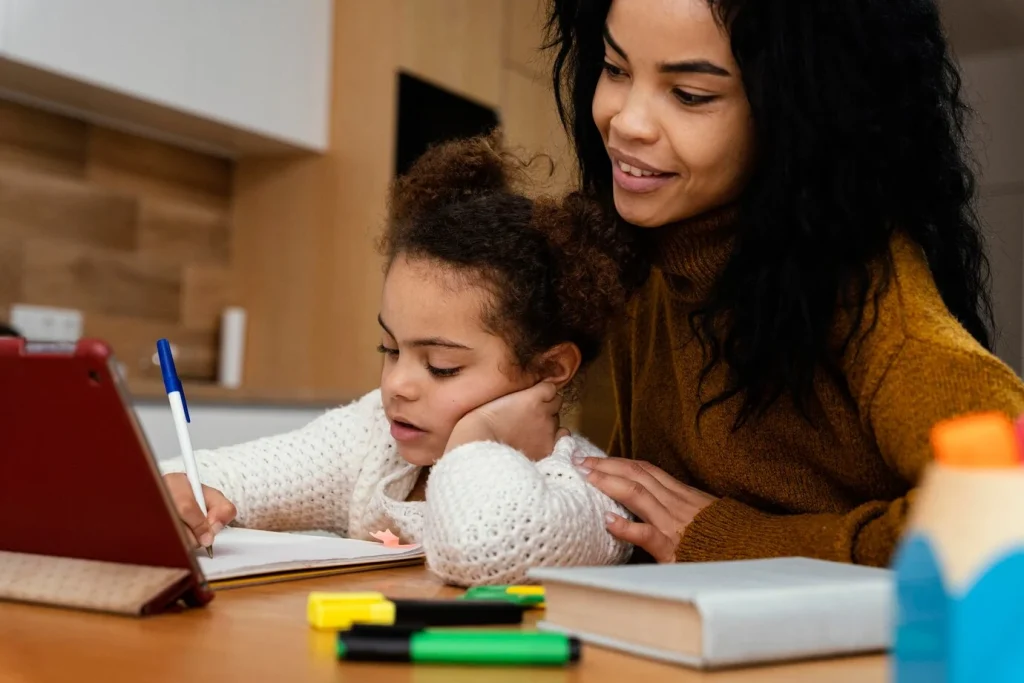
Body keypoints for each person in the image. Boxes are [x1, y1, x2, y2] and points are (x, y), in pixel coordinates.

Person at [542, 0, 1024, 566]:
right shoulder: (642, 257)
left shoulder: (866, 289)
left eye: (690, 94)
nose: (627, 122)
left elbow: (1005, 504)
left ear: (796, 112)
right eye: (616, 69)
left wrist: (734, 542)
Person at [160, 133, 633, 586]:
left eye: (441, 366)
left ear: (549, 369)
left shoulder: (592, 495)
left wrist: (475, 439)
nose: (397, 385)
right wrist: (184, 492)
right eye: (390, 349)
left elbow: (480, 545)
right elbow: (217, 476)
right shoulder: (375, 439)